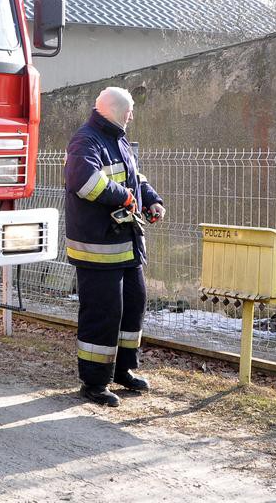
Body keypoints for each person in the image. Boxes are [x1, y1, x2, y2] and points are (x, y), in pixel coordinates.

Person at [64, 87, 166, 407]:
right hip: (98, 248)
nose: (132, 115)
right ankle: (94, 383)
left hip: (126, 245)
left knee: (133, 305)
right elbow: (85, 181)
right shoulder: (86, 140)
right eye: (130, 109)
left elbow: (135, 177)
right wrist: (121, 196)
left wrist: (150, 200)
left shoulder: (117, 138)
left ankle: (123, 369)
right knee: (103, 314)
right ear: (115, 110)